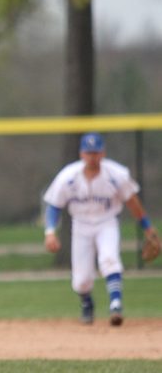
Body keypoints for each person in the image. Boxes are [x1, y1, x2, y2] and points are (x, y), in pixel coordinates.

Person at [42, 132, 157, 326]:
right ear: (81, 154)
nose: (92, 157)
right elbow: (54, 205)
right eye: (88, 153)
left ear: (102, 153)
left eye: (95, 152)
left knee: (109, 259)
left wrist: (148, 228)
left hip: (107, 222)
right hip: (80, 225)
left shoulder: (116, 174)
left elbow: (132, 202)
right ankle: (87, 303)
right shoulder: (68, 176)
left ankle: (116, 304)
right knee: (81, 281)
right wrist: (50, 232)